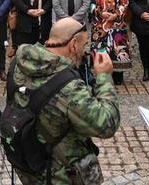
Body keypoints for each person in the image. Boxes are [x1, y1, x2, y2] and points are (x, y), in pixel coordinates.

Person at [9, 18, 120, 185]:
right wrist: (104, 77)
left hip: (29, 165)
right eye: (84, 44)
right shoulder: (69, 87)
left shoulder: (18, 63)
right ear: (74, 44)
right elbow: (106, 124)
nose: (84, 51)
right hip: (60, 173)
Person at [89, 0, 130, 85]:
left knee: (117, 48)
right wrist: (100, 13)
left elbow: (125, 3)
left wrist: (116, 14)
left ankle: (118, 75)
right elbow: (91, 4)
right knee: (100, 49)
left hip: (117, 25)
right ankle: (102, 75)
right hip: (100, 26)